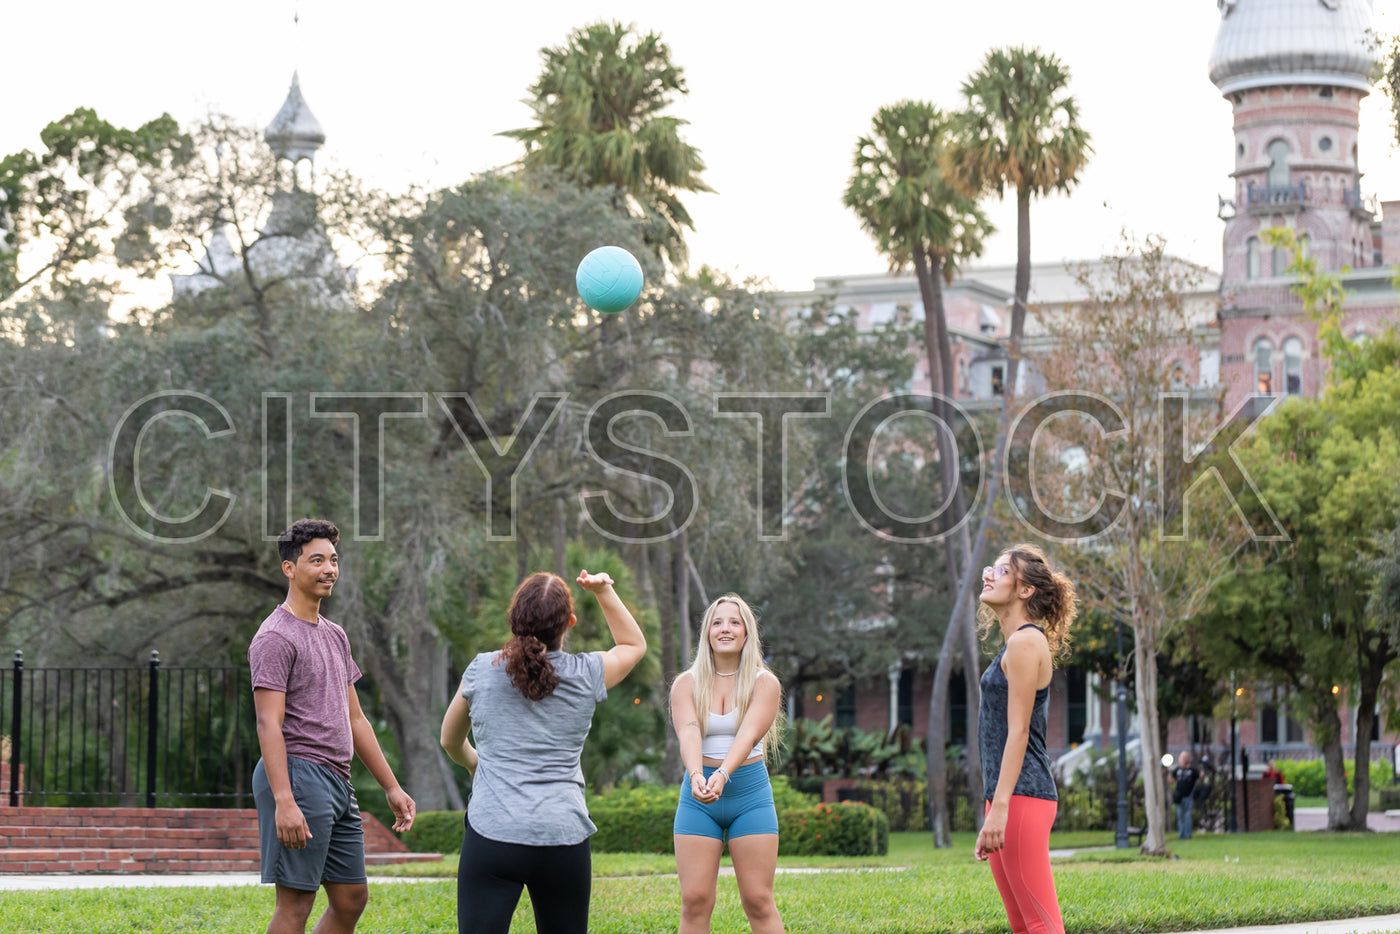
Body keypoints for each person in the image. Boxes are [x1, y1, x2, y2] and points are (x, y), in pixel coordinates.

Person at [439, 570, 646, 934]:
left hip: (492, 832)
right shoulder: (586, 673)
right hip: (562, 835)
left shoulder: (481, 671)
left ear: (514, 619)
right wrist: (603, 590)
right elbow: (633, 645)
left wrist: (475, 764)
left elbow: (449, 740)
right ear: (569, 622)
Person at [250, 518, 416, 934]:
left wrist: (391, 786)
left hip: (337, 781)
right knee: (296, 902)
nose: (329, 569)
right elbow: (268, 723)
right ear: (290, 568)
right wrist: (285, 800)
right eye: (317, 560)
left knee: (350, 898)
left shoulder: (335, 635)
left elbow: (355, 718)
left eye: (334, 560)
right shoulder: (274, 637)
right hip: (299, 775)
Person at [975, 544, 1077, 934]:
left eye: (1001, 571)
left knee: (1041, 924)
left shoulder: (1024, 642)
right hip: (1007, 798)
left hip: (1021, 797)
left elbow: (1018, 732)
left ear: (1025, 590)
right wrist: (992, 809)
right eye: (992, 567)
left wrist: (998, 810)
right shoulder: (1015, 642)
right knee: (1023, 925)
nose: (988, 575)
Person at [670, 594, 785, 934]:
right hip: (698, 795)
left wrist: (722, 773)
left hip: (749, 795)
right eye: (717, 622)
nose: (725, 629)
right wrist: (696, 775)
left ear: (747, 632)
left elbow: (747, 736)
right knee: (694, 900)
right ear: (707, 632)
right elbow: (689, 732)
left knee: (758, 900)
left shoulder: (765, 683)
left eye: (735, 622)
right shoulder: (685, 684)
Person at [1170, 750, 1201, 840]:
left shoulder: (1192, 771)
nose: (1182, 760)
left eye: (1184, 758)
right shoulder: (1177, 770)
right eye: (1181, 758)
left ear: (1188, 759)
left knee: (1187, 816)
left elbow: (1199, 779)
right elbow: (1171, 780)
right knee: (1180, 816)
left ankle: (1188, 835)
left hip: (1189, 797)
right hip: (1179, 797)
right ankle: (1181, 835)